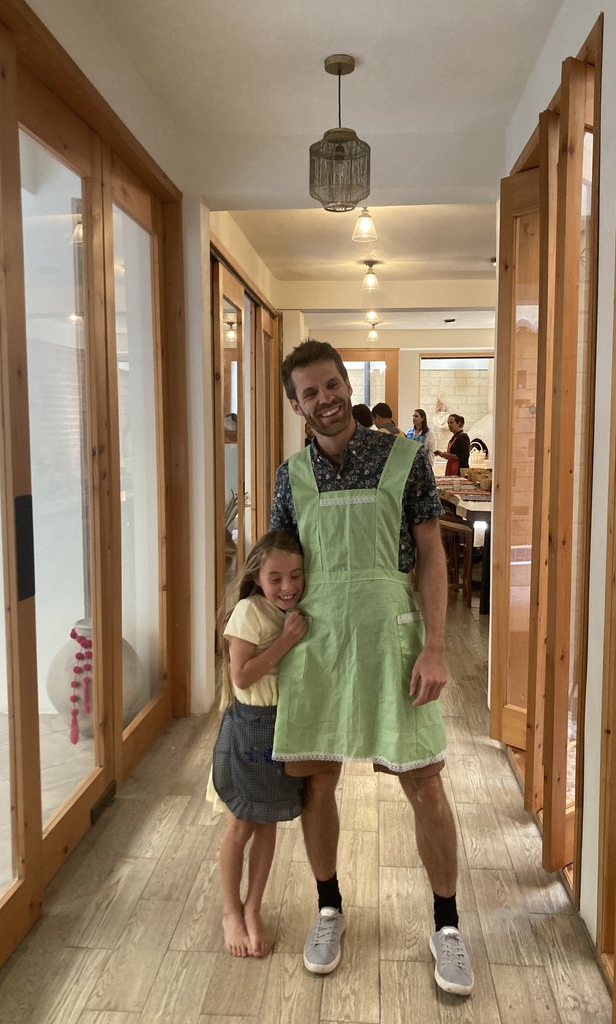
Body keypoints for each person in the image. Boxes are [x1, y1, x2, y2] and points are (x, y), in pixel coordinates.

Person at [270, 339, 474, 996]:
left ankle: (447, 923)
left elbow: (431, 553)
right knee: (317, 784)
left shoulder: (404, 458)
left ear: (346, 386)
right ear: (296, 405)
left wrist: (436, 646)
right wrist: (257, 645)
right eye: (310, 392)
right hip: (317, 644)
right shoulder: (290, 476)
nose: (325, 399)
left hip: (393, 639)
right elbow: (278, 569)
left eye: (332, 385)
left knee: (426, 784)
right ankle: (328, 907)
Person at [208, 530, 308, 959]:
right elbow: (242, 676)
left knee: (267, 823)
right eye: (275, 578)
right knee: (241, 825)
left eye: (296, 576)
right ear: (257, 578)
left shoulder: (296, 610)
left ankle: (253, 907)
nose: (287, 586)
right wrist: (286, 641)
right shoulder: (250, 612)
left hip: (282, 728)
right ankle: (230, 910)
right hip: (250, 729)